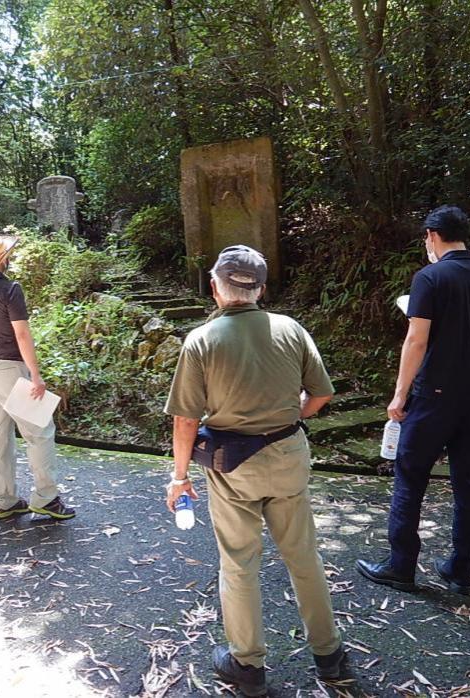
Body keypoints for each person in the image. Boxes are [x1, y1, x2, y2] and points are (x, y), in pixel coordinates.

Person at [164, 245, 344, 696]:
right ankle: (330, 655)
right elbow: (320, 396)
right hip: (287, 456)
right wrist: (288, 416)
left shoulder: (202, 340)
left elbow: (186, 419)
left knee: (240, 563)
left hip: (232, 470)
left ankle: (248, 664)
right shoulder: (290, 329)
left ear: (214, 287)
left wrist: (180, 476)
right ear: (261, 288)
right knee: (303, 556)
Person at [357, 205, 470, 594]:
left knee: (410, 477)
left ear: (431, 235)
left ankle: (401, 565)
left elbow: (417, 339)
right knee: (469, 482)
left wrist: (399, 394)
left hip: (434, 397)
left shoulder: (429, 278)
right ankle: (461, 569)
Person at [0, 231, 75, 521]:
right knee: (40, 432)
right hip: (10, 370)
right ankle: (46, 498)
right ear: (3, 259)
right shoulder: (10, 290)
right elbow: (22, 333)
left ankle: (5, 501)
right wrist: (35, 375)